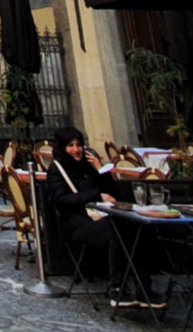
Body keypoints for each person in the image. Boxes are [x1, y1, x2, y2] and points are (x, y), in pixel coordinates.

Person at [42, 126, 157, 309]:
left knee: (135, 226)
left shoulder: (87, 167)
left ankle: (144, 286)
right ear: (62, 147)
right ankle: (117, 287)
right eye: (70, 145)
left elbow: (112, 193)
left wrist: (100, 169)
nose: (76, 149)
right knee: (117, 230)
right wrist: (95, 195)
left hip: (102, 217)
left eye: (78, 144)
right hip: (76, 222)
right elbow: (61, 200)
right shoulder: (57, 169)